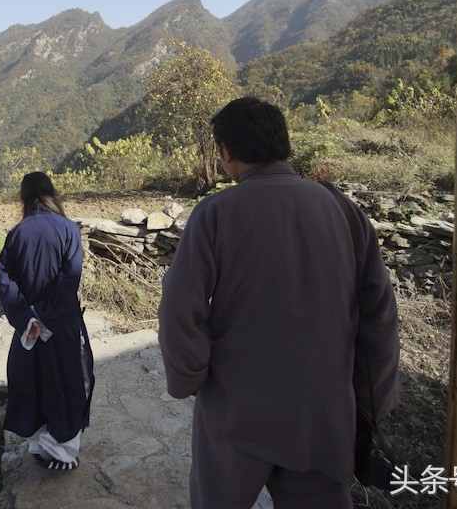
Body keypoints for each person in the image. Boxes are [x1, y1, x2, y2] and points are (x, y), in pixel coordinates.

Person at [158, 96, 400, 508]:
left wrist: (189, 379)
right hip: (320, 418)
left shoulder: (215, 213)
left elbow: (180, 310)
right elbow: (379, 313)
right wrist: (366, 396)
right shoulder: (343, 210)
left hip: (237, 415)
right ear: (283, 144)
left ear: (228, 152)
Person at [0, 171, 95, 471]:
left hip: (30, 329)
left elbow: (5, 278)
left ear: (23, 198)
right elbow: (70, 280)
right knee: (68, 380)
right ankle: (63, 453)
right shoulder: (68, 230)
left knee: (34, 381)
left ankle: (40, 446)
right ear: (52, 193)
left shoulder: (17, 234)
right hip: (62, 323)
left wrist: (27, 317)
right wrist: (46, 314)